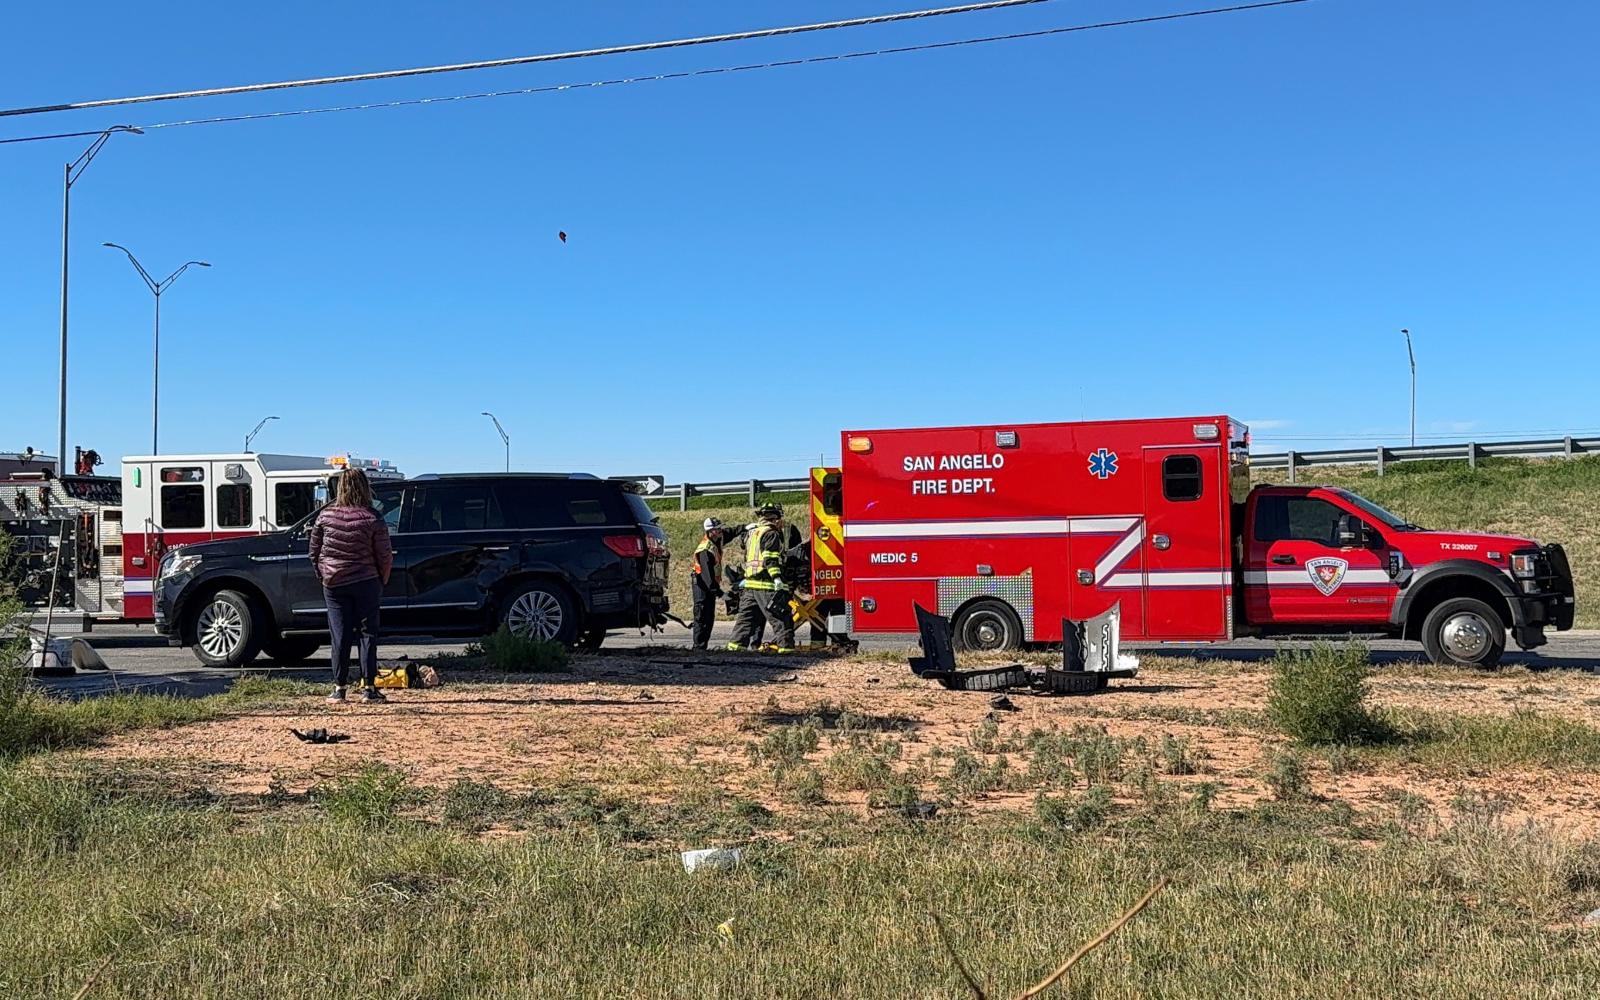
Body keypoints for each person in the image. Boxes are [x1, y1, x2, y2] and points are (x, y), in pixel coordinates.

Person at [310, 468, 394, 703]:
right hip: (367, 581)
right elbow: (385, 555)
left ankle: (339, 688)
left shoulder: (325, 516)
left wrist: (323, 576)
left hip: (334, 583)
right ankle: (369, 688)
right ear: (365, 487)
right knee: (368, 634)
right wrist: (382, 580)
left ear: (340, 488)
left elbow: (314, 552)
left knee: (340, 635)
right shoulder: (372, 517)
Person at [727, 503, 806, 652]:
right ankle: (786, 650)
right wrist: (777, 578)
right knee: (780, 618)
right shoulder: (771, 534)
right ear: (776, 519)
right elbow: (770, 558)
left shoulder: (752, 533)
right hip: (766, 584)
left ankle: (734, 650)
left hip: (749, 585)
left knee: (745, 621)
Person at [688, 517, 735, 650]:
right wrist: (721, 594)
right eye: (717, 529)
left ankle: (703, 646)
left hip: (710, 585)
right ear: (710, 531)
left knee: (709, 616)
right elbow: (708, 579)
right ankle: (698, 648)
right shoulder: (705, 550)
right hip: (701, 585)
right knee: (702, 615)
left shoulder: (717, 540)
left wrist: (745, 528)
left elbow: (731, 532)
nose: (720, 531)